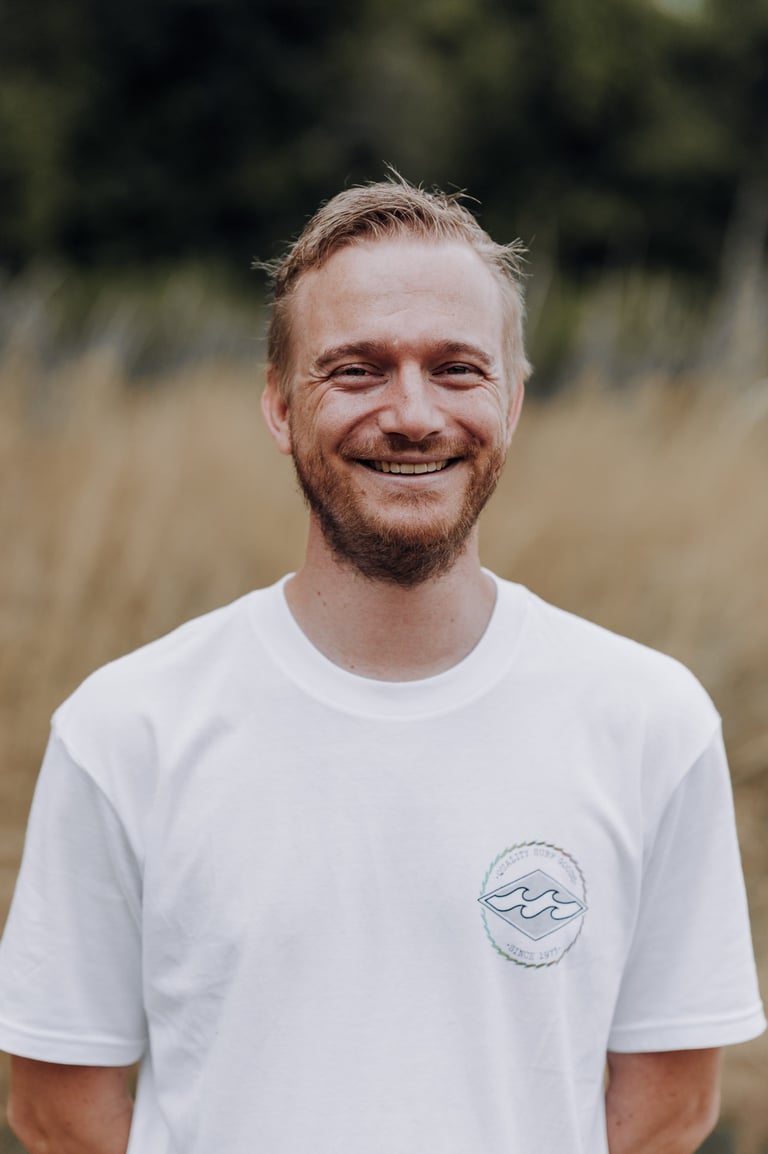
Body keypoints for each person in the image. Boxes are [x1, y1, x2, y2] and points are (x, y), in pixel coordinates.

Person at [0, 176, 764, 1154]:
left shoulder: (650, 721)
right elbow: (58, 1106)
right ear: (279, 405)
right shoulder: (127, 729)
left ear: (513, 399)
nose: (411, 413)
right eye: (356, 369)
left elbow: (667, 1107)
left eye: (455, 369)